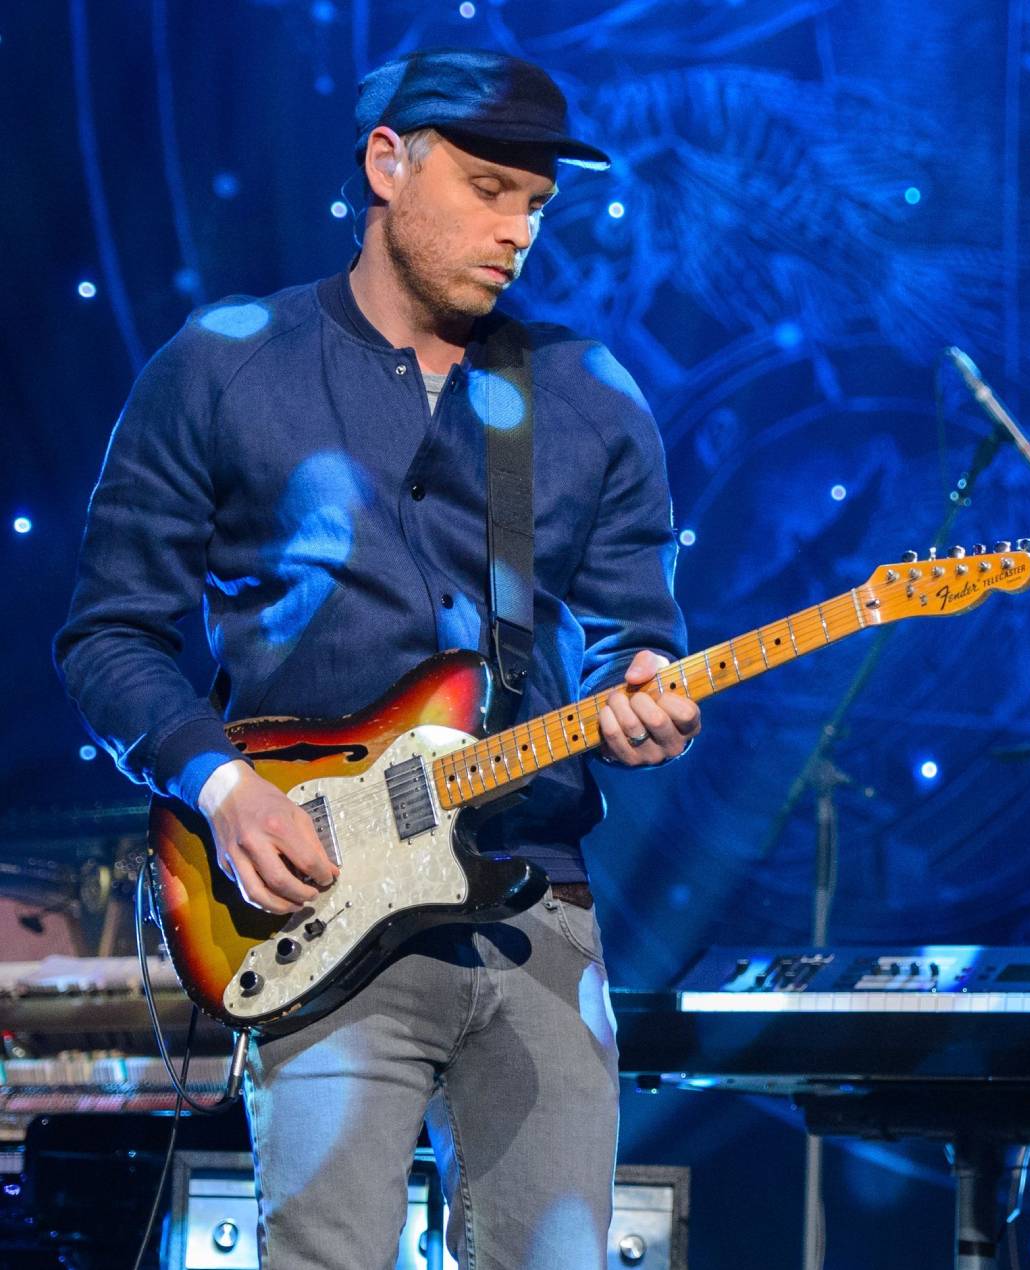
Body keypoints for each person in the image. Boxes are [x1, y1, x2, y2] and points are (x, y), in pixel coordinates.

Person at [54, 49, 698, 1267]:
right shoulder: (223, 361)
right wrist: (220, 785)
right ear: (386, 161)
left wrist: (647, 686)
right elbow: (108, 633)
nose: (518, 231)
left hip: (535, 902)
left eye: (538, 206)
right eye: (491, 187)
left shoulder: (588, 392)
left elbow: (632, 627)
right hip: (317, 895)